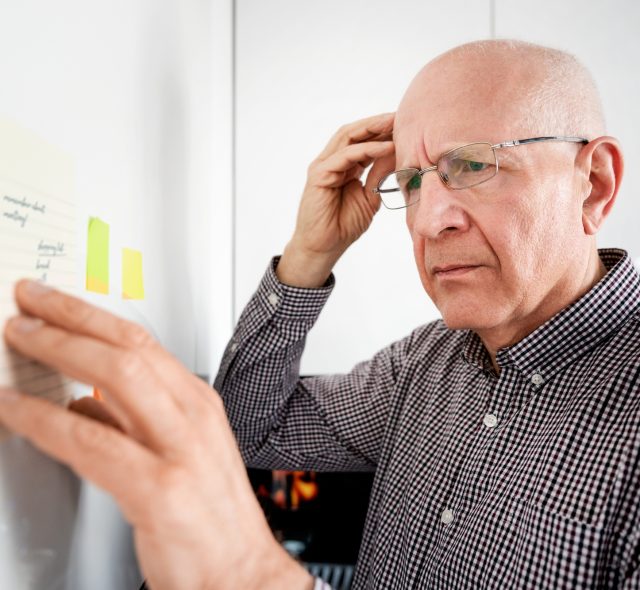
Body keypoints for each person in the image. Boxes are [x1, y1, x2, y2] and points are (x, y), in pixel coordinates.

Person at [0, 38, 637, 589]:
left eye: (473, 165)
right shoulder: (426, 363)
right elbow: (249, 430)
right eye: (413, 182)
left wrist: (253, 576)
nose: (430, 221)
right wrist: (309, 255)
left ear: (596, 183)